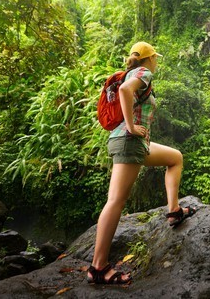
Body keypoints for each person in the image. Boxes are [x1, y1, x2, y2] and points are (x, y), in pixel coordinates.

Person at [87, 41, 197, 285]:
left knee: (175, 158)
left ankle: (174, 211)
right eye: (155, 57)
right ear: (148, 59)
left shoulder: (130, 73)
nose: (156, 61)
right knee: (115, 201)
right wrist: (131, 126)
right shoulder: (143, 73)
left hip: (132, 142)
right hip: (129, 141)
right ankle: (98, 267)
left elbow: (126, 93)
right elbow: (126, 90)